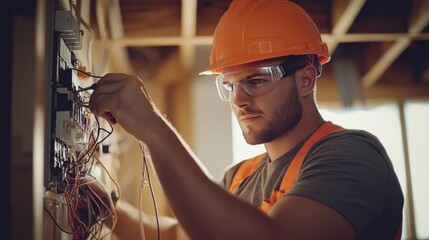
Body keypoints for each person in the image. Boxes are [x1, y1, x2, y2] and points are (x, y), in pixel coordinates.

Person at [89, 0, 404, 239]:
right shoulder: (240, 177)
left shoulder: (352, 155)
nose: (238, 100)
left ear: (306, 80)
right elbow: (178, 233)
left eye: (256, 81)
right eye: (230, 85)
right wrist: (109, 208)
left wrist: (153, 127)